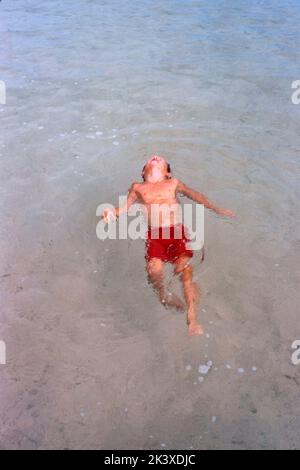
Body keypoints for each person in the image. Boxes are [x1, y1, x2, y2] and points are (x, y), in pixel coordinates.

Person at [102, 155, 235, 336]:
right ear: (143, 172)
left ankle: (192, 318)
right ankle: (163, 295)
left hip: (176, 231)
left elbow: (196, 195)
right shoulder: (138, 187)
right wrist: (111, 212)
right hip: (155, 235)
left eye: (160, 160)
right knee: (154, 270)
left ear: (168, 173)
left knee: (184, 270)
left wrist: (216, 209)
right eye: (149, 160)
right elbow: (123, 209)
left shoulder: (173, 184)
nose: (154, 157)